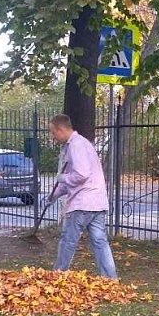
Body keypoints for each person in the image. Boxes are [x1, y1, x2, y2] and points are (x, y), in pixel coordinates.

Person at [47, 114, 118, 278]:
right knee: (100, 243)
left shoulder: (76, 146)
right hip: (97, 202)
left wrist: (62, 178)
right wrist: (54, 195)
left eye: (53, 132)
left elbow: (81, 174)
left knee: (68, 241)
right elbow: (74, 179)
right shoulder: (81, 144)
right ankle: (110, 279)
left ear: (61, 129)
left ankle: (56, 277)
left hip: (82, 203)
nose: (52, 136)